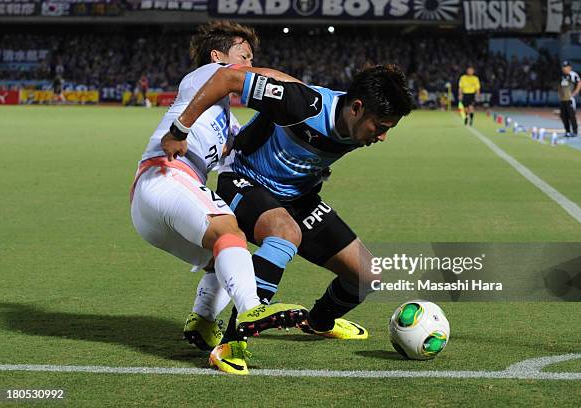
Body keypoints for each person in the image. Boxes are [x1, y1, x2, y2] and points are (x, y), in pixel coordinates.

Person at [161, 64, 415, 347]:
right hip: (244, 182)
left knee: (367, 276)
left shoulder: (354, 121)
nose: (382, 137)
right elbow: (227, 78)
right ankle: (233, 343)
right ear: (356, 108)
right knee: (285, 234)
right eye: (379, 127)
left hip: (297, 198)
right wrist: (179, 129)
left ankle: (318, 322)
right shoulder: (303, 105)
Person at [130, 20, 307, 375]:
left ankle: (203, 320)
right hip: (165, 175)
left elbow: (244, 155)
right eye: (244, 55)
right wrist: (305, 92)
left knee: (226, 253)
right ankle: (252, 308)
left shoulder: (225, 120)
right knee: (229, 230)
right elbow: (252, 77)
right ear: (218, 56)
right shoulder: (205, 74)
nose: (249, 62)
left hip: (152, 206)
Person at [558, 60, 581, 137]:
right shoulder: (562, 76)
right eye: (563, 67)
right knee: (563, 115)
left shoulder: (573, 74)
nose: (564, 68)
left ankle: (575, 131)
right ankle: (567, 131)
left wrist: (575, 92)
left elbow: (580, 83)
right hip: (563, 99)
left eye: (566, 67)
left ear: (570, 67)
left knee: (571, 115)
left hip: (570, 99)